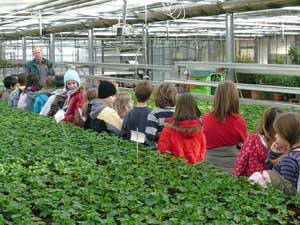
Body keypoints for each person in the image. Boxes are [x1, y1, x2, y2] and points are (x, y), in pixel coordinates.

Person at [202, 80, 248, 173]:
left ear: (217, 97)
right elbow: (247, 146)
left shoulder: (205, 119)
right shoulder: (239, 121)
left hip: (209, 167)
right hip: (232, 168)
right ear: (235, 98)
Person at [249, 112, 300, 194]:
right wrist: (274, 154)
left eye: (278, 133)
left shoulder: (289, 160)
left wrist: (271, 155)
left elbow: (287, 191)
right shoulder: (295, 155)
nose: (275, 136)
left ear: (286, 134)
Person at [157, 93, 207, 164]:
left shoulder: (169, 129)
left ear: (178, 107)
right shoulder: (200, 130)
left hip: (173, 170)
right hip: (195, 171)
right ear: (194, 107)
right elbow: (203, 153)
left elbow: (162, 153)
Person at [233, 107, 282, 177]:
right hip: (254, 178)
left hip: (272, 179)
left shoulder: (284, 141)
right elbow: (242, 159)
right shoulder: (254, 140)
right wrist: (236, 177)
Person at [145, 83, 177, 147]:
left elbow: (150, 136)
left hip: (160, 149)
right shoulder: (178, 112)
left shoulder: (154, 113)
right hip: (176, 149)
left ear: (158, 96)